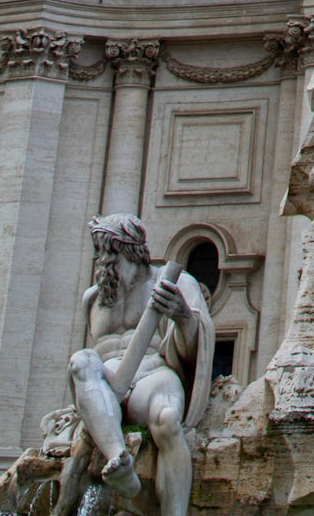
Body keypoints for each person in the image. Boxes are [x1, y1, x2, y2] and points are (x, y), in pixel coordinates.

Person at [55, 215, 213, 516]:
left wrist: (182, 316)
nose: (100, 260)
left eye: (107, 252)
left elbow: (199, 348)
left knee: (167, 418)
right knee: (81, 360)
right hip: (107, 385)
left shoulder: (174, 282)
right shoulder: (93, 298)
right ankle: (120, 462)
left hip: (153, 375)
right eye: (100, 252)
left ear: (129, 250)